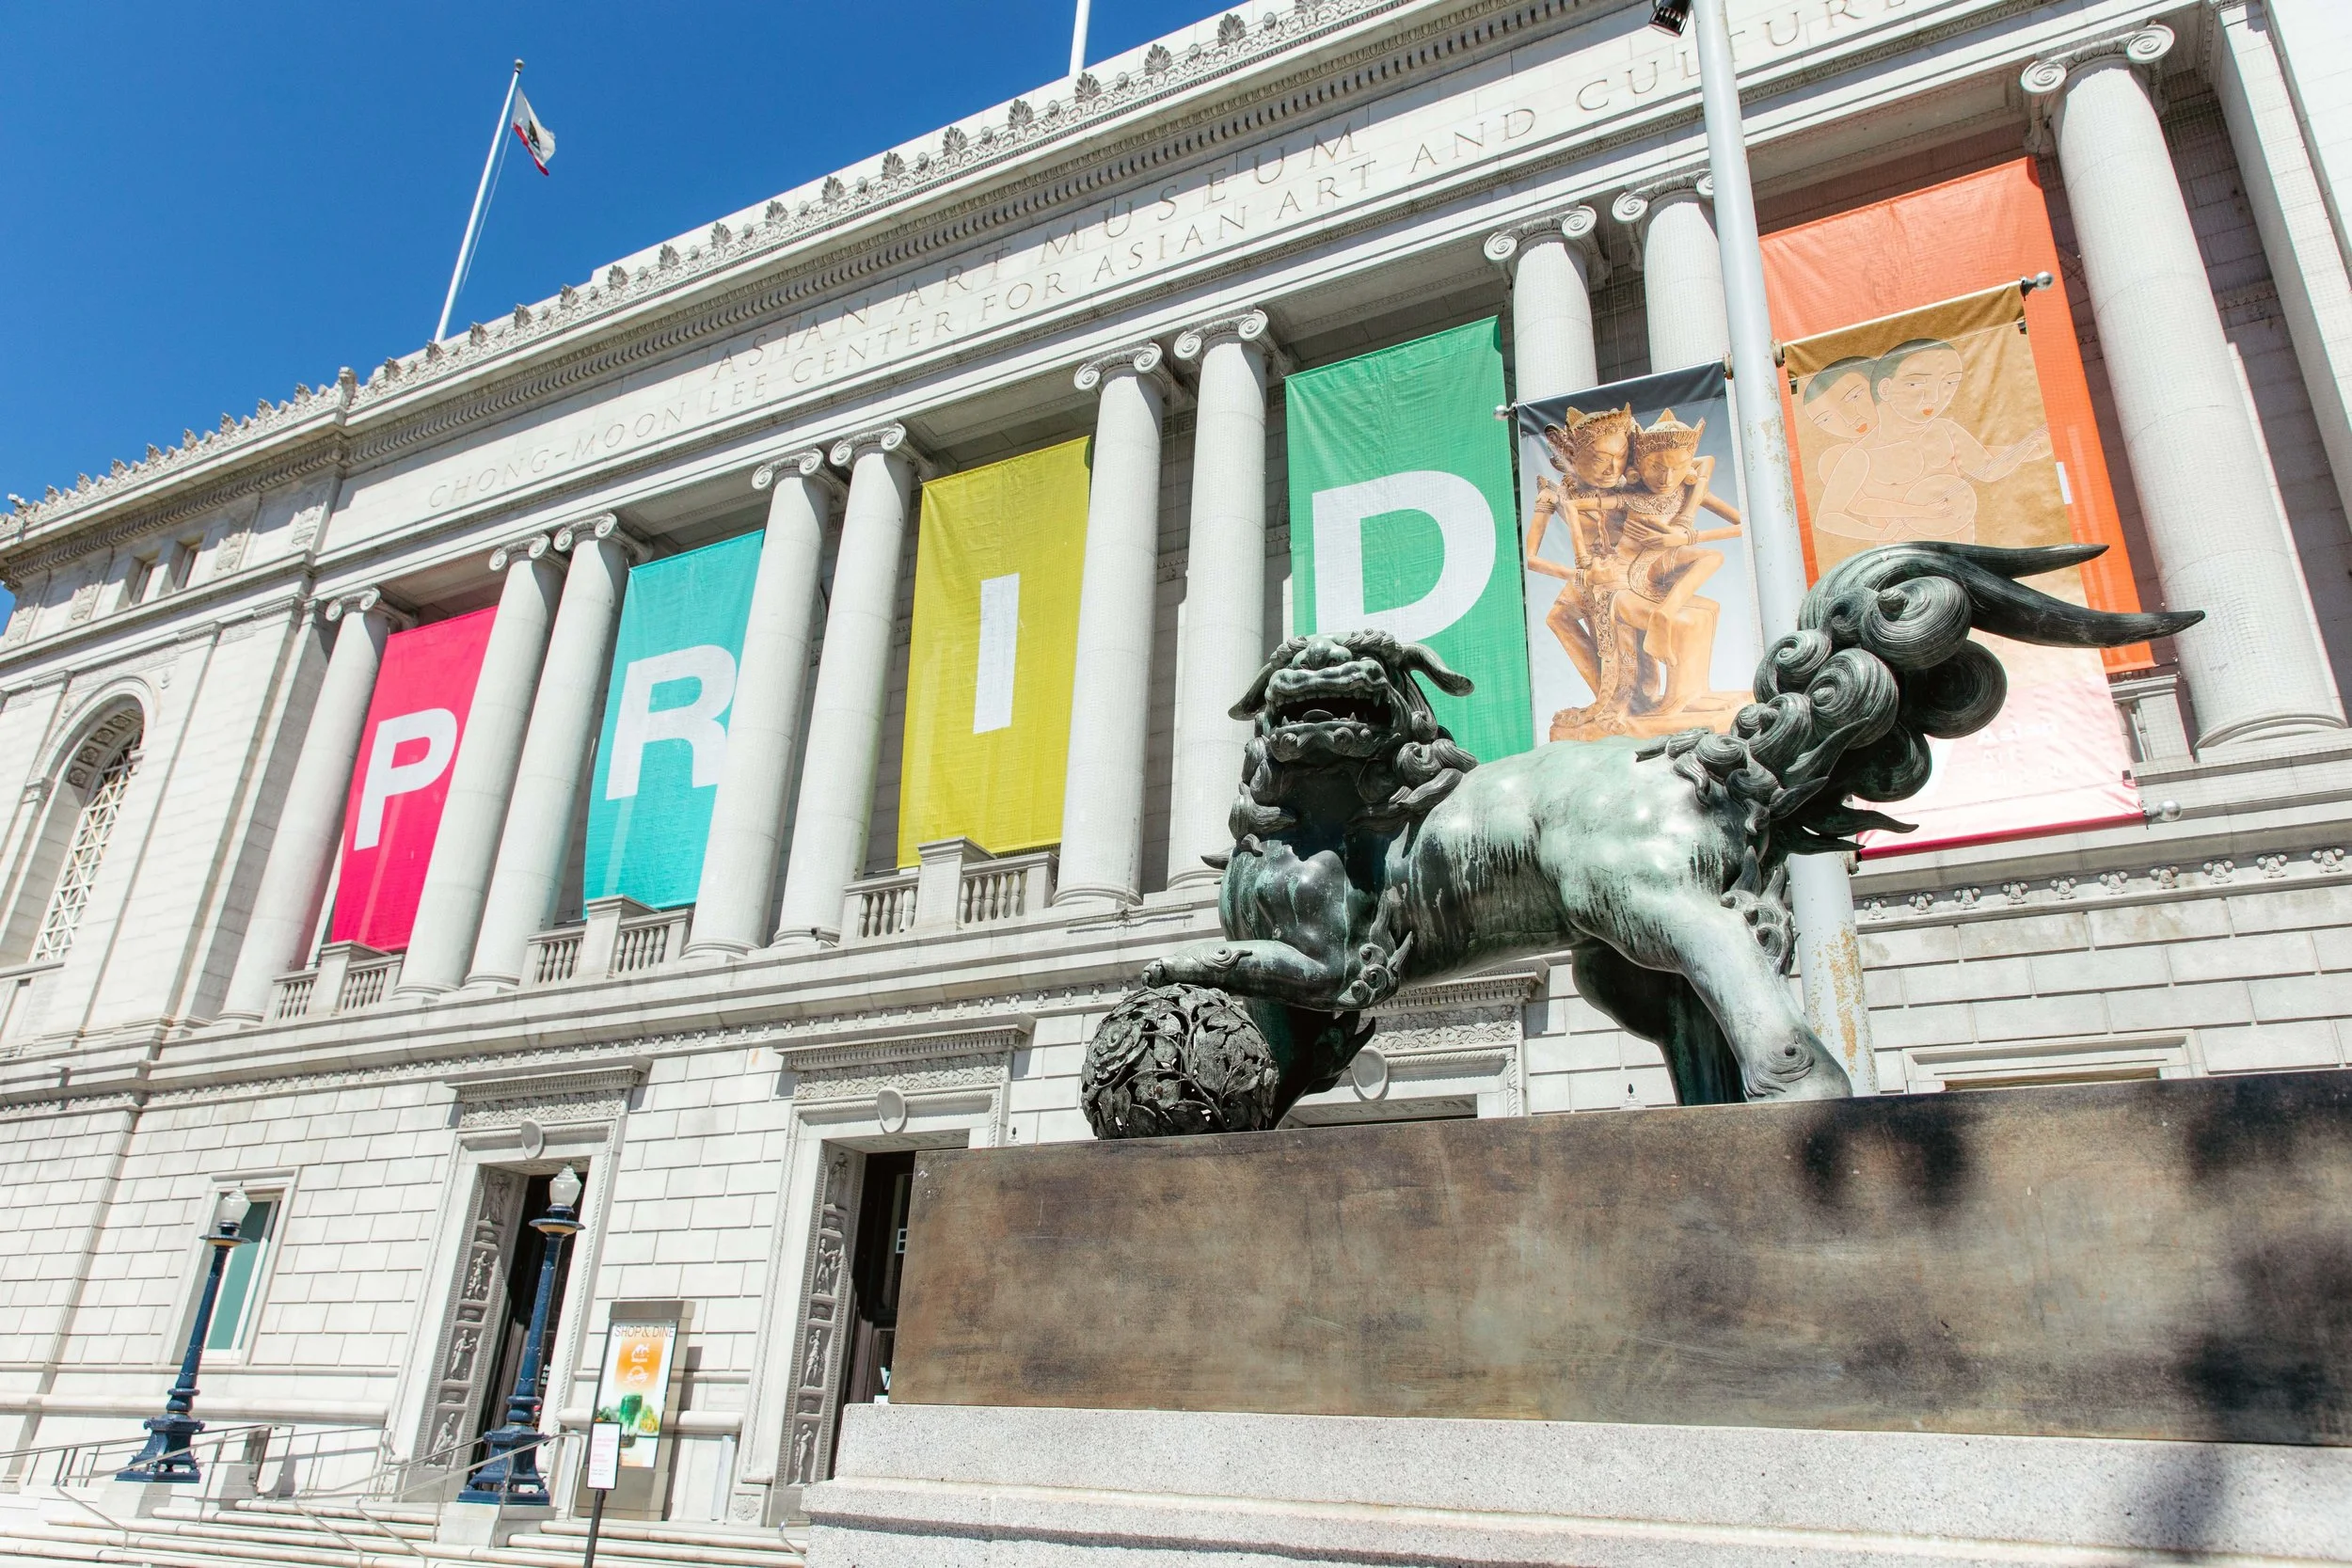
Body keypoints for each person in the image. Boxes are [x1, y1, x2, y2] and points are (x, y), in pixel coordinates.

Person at [1812, 338, 2051, 559]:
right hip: (1906, 559)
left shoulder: (1946, 430)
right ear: (1885, 389)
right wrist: (1884, 532)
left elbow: (1987, 470)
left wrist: (2027, 447)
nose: (1934, 397)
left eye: (1949, 383)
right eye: (1916, 383)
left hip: (1963, 551)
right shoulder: (1860, 456)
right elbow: (1828, 517)